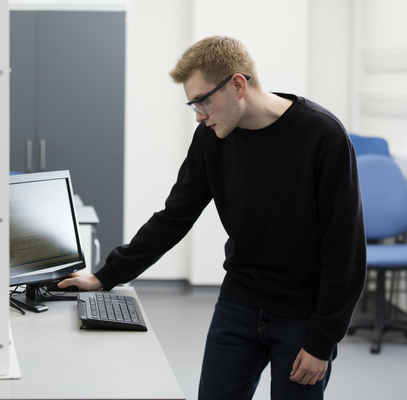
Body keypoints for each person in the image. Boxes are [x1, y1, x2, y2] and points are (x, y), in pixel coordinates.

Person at [58, 35, 366, 400]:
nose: (200, 115)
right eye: (193, 105)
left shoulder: (323, 136)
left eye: (203, 101)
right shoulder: (212, 137)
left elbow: (344, 247)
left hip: (303, 317)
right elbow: (175, 216)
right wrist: (105, 275)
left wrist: (323, 341)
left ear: (238, 84)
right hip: (239, 303)